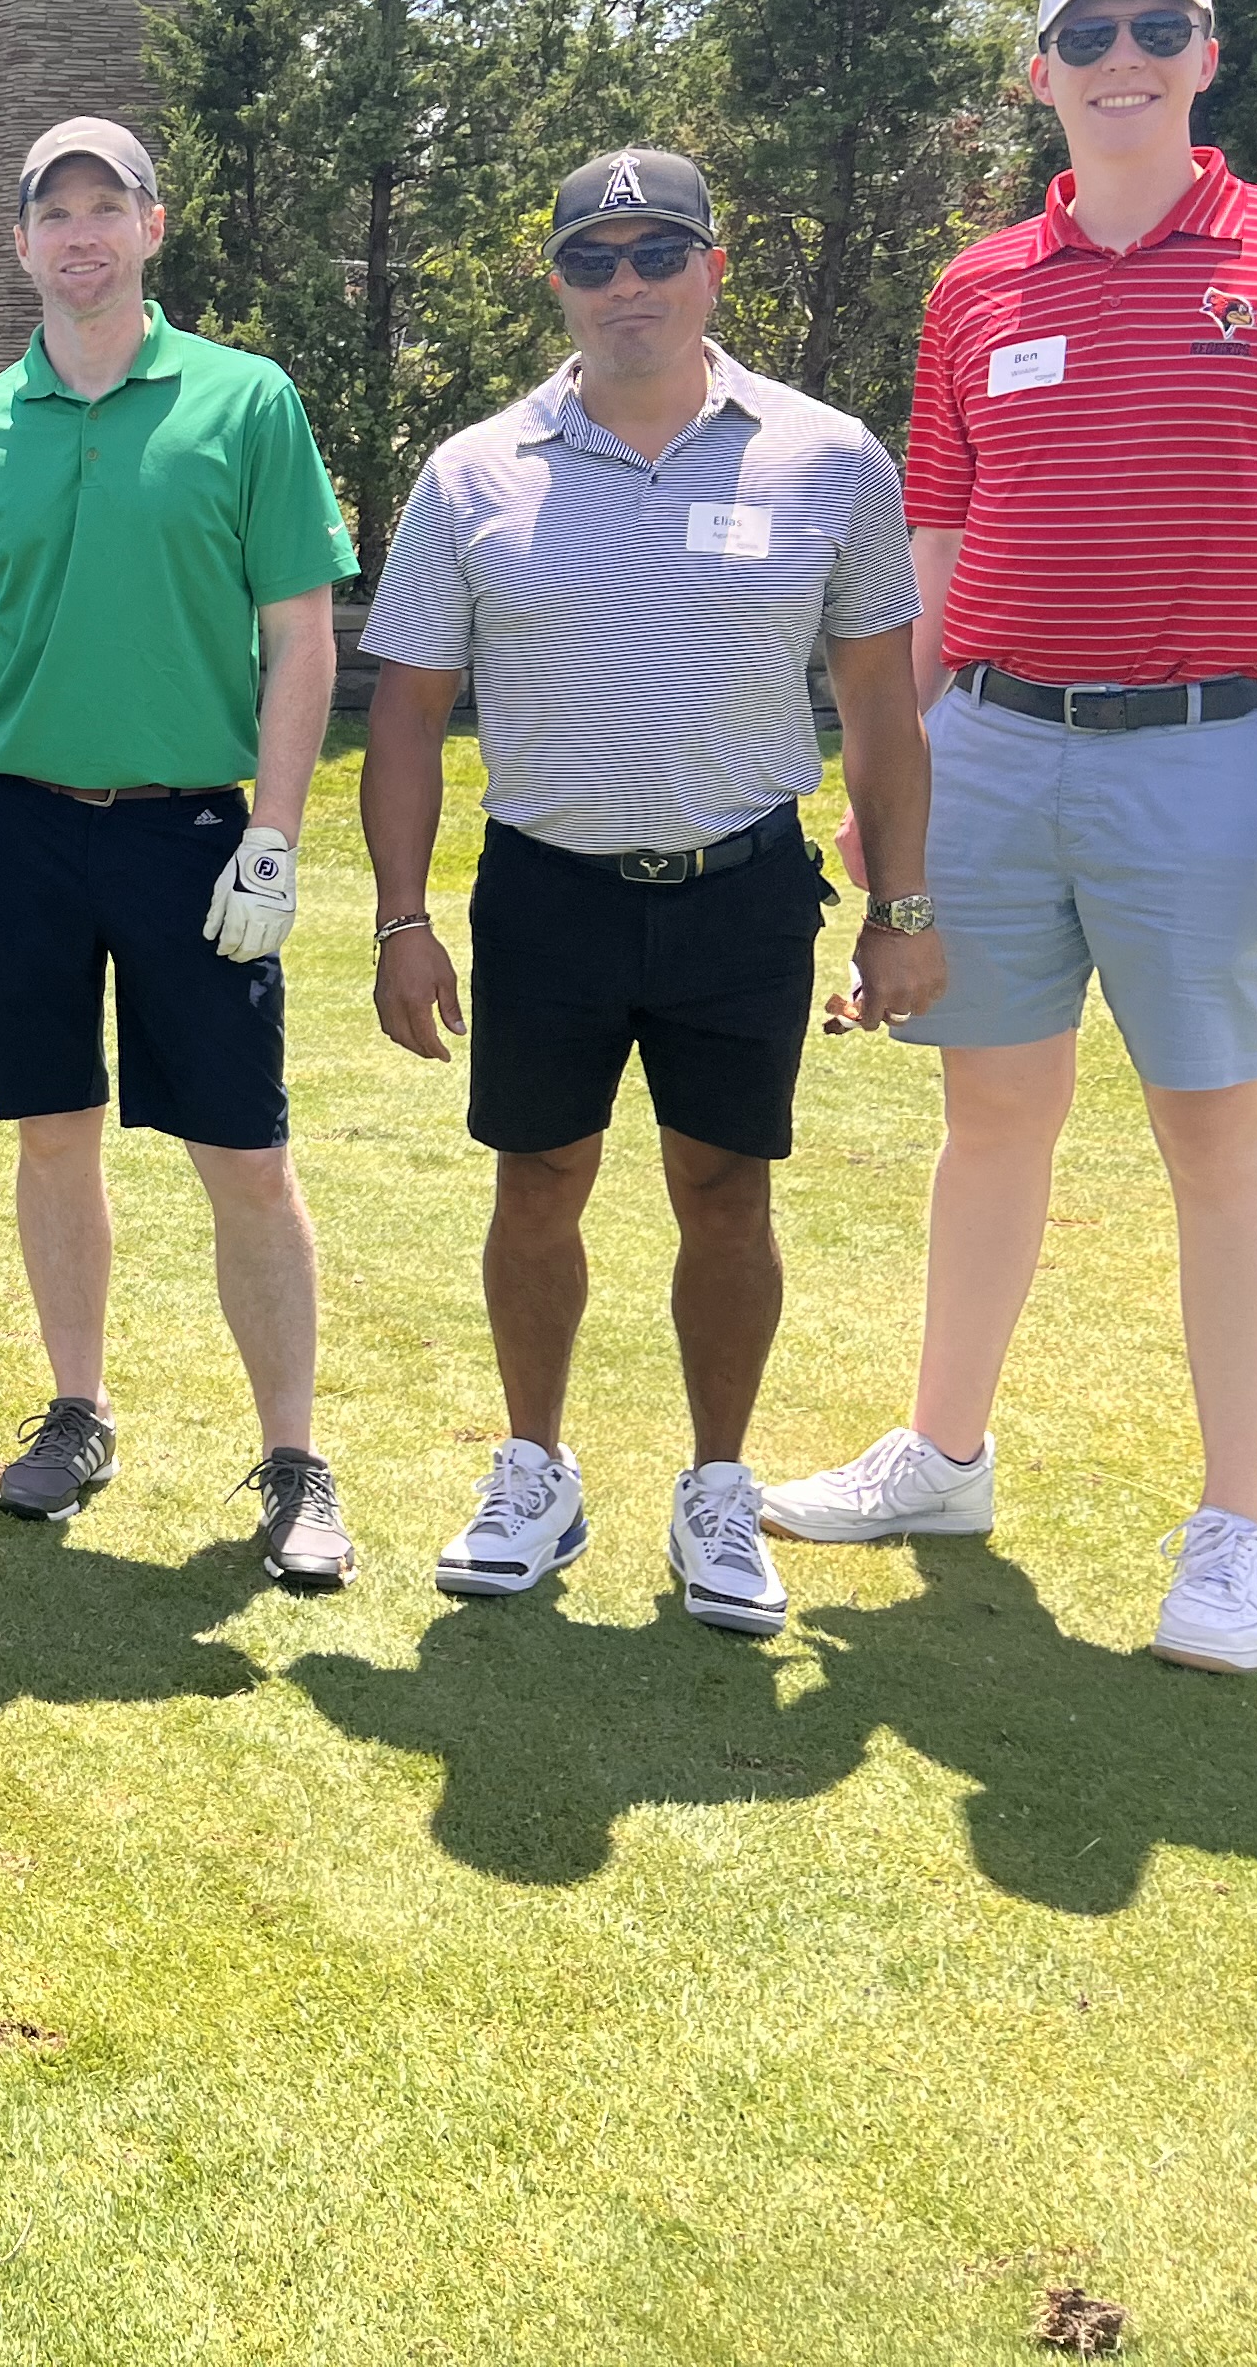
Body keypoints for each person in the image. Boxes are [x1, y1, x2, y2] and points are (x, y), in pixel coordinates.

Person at [762, 0, 1257, 1674]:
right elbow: (934, 559)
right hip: (990, 750)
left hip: (1214, 753)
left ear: (1207, 53)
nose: (1120, 57)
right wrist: (892, 788)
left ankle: (1236, 1527)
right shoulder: (979, 287)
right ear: (1037, 71)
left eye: (1154, 29)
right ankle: (945, 1458)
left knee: (1219, 1138)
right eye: (1085, 33)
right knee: (990, 1121)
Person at [359, 147, 946, 1635]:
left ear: (712, 266)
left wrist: (905, 908)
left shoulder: (828, 459)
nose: (628, 284)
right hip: (547, 892)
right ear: (557, 281)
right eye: (595, 260)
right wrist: (403, 919)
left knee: (723, 1190)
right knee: (538, 1179)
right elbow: (411, 715)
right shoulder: (473, 470)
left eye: (657, 252)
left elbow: (880, 707)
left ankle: (719, 1489)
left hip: (743, 891)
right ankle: (535, 1471)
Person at [0, 116, 364, 1587]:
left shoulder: (246, 402)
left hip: (195, 835)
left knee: (245, 1153)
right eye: (56, 213)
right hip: (17, 830)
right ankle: (78, 1412)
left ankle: (292, 1460)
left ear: (154, 230)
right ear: (20, 243)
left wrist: (276, 832)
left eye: (111, 208)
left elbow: (300, 637)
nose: (83, 234)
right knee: (54, 1133)